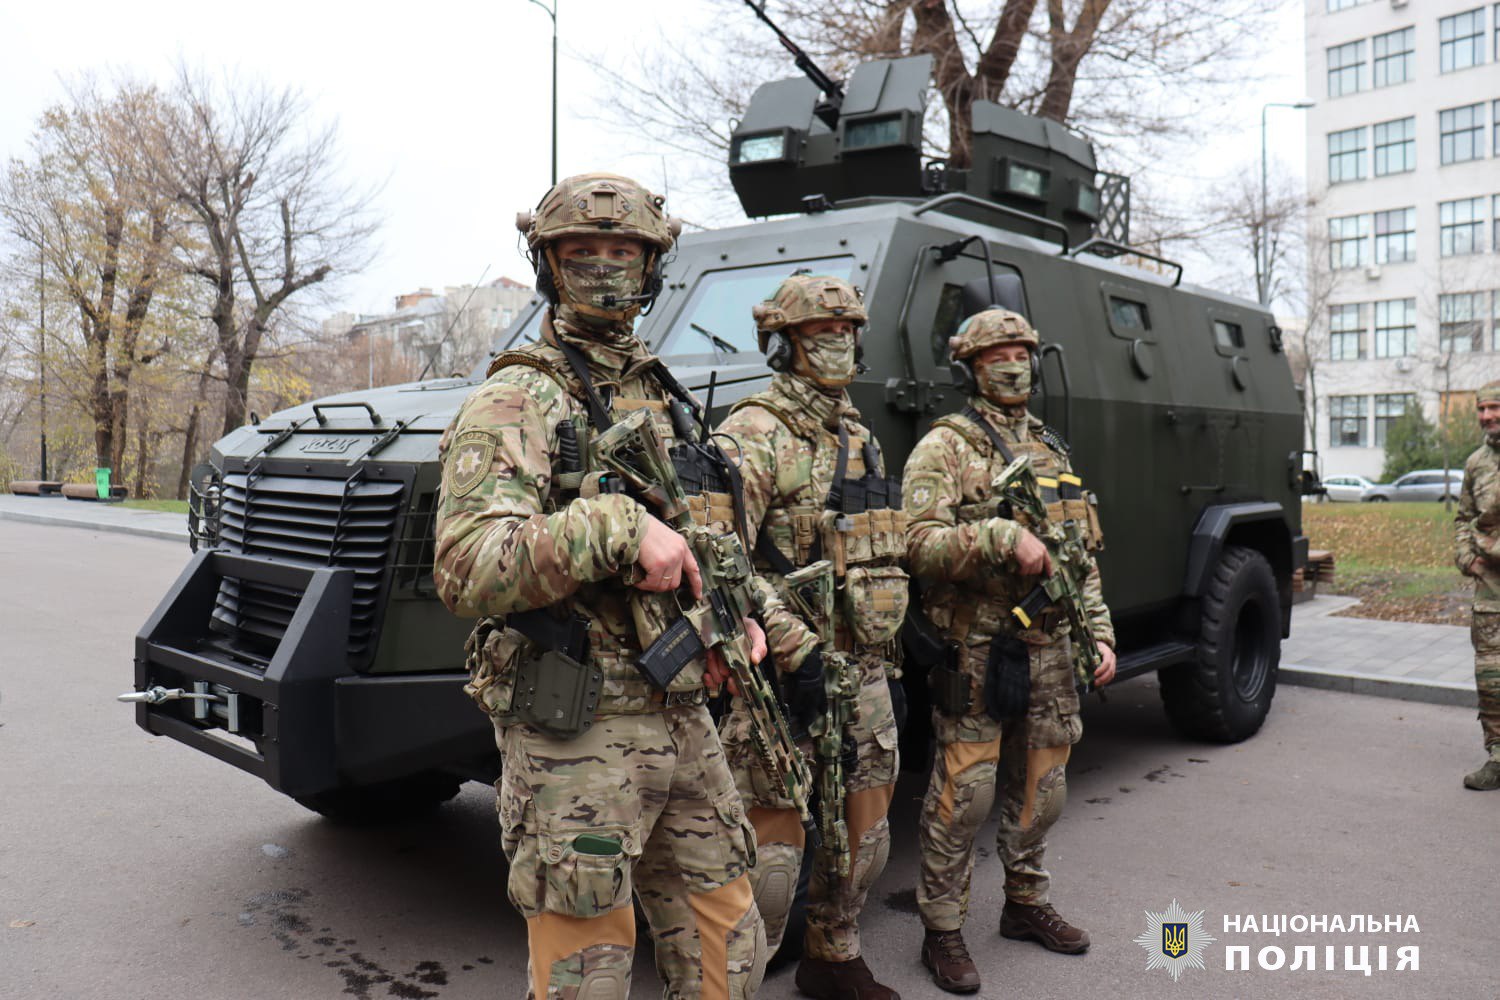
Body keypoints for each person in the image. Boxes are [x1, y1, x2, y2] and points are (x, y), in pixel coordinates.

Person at [434, 172, 790, 999]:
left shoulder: (659, 393)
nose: (602, 268)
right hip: (578, 731)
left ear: (651, 264)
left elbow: (703, 538)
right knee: (586, 975)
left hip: (684, 713)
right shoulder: (519, 396)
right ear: (548, 266)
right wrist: (618, 529)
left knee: (730, 951)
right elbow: (465, 565)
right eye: (580, 252)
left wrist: (736, 616)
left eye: (621, 251)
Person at [900, 307, 1117, 994]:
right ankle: (941, 930)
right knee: (963, 794)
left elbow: (1080, 558)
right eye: (995, 354)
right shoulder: (945, 446)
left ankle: (1024, 904)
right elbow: (913, 544)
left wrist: (1101, 632)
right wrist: (994, 538)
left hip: (1052, 644)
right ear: (971, 366)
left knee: (1042, 787)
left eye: (1021, 351)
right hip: (977, 647)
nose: (1012, 363)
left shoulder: (1052, 450)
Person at [712, 273, 908, 999]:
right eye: (818, 334)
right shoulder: (752, 431)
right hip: (783, 674)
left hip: (861, 667)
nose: (837, 346)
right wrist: (797, 648)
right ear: (784, 344)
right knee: (771, 859)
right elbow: (719, 557)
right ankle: (740, 982)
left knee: (866, 833)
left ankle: (834, 956)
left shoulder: (860, 436)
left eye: (846, 333)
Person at [1454, 380, 1500, 790]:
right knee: (1491, 681)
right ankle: (1498, 758)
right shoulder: (1476, 464)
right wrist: (1467, 558)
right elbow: (1461, 518)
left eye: (1494, 407)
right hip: (1490, 592)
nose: (1487, 416)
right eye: (1482, 409)